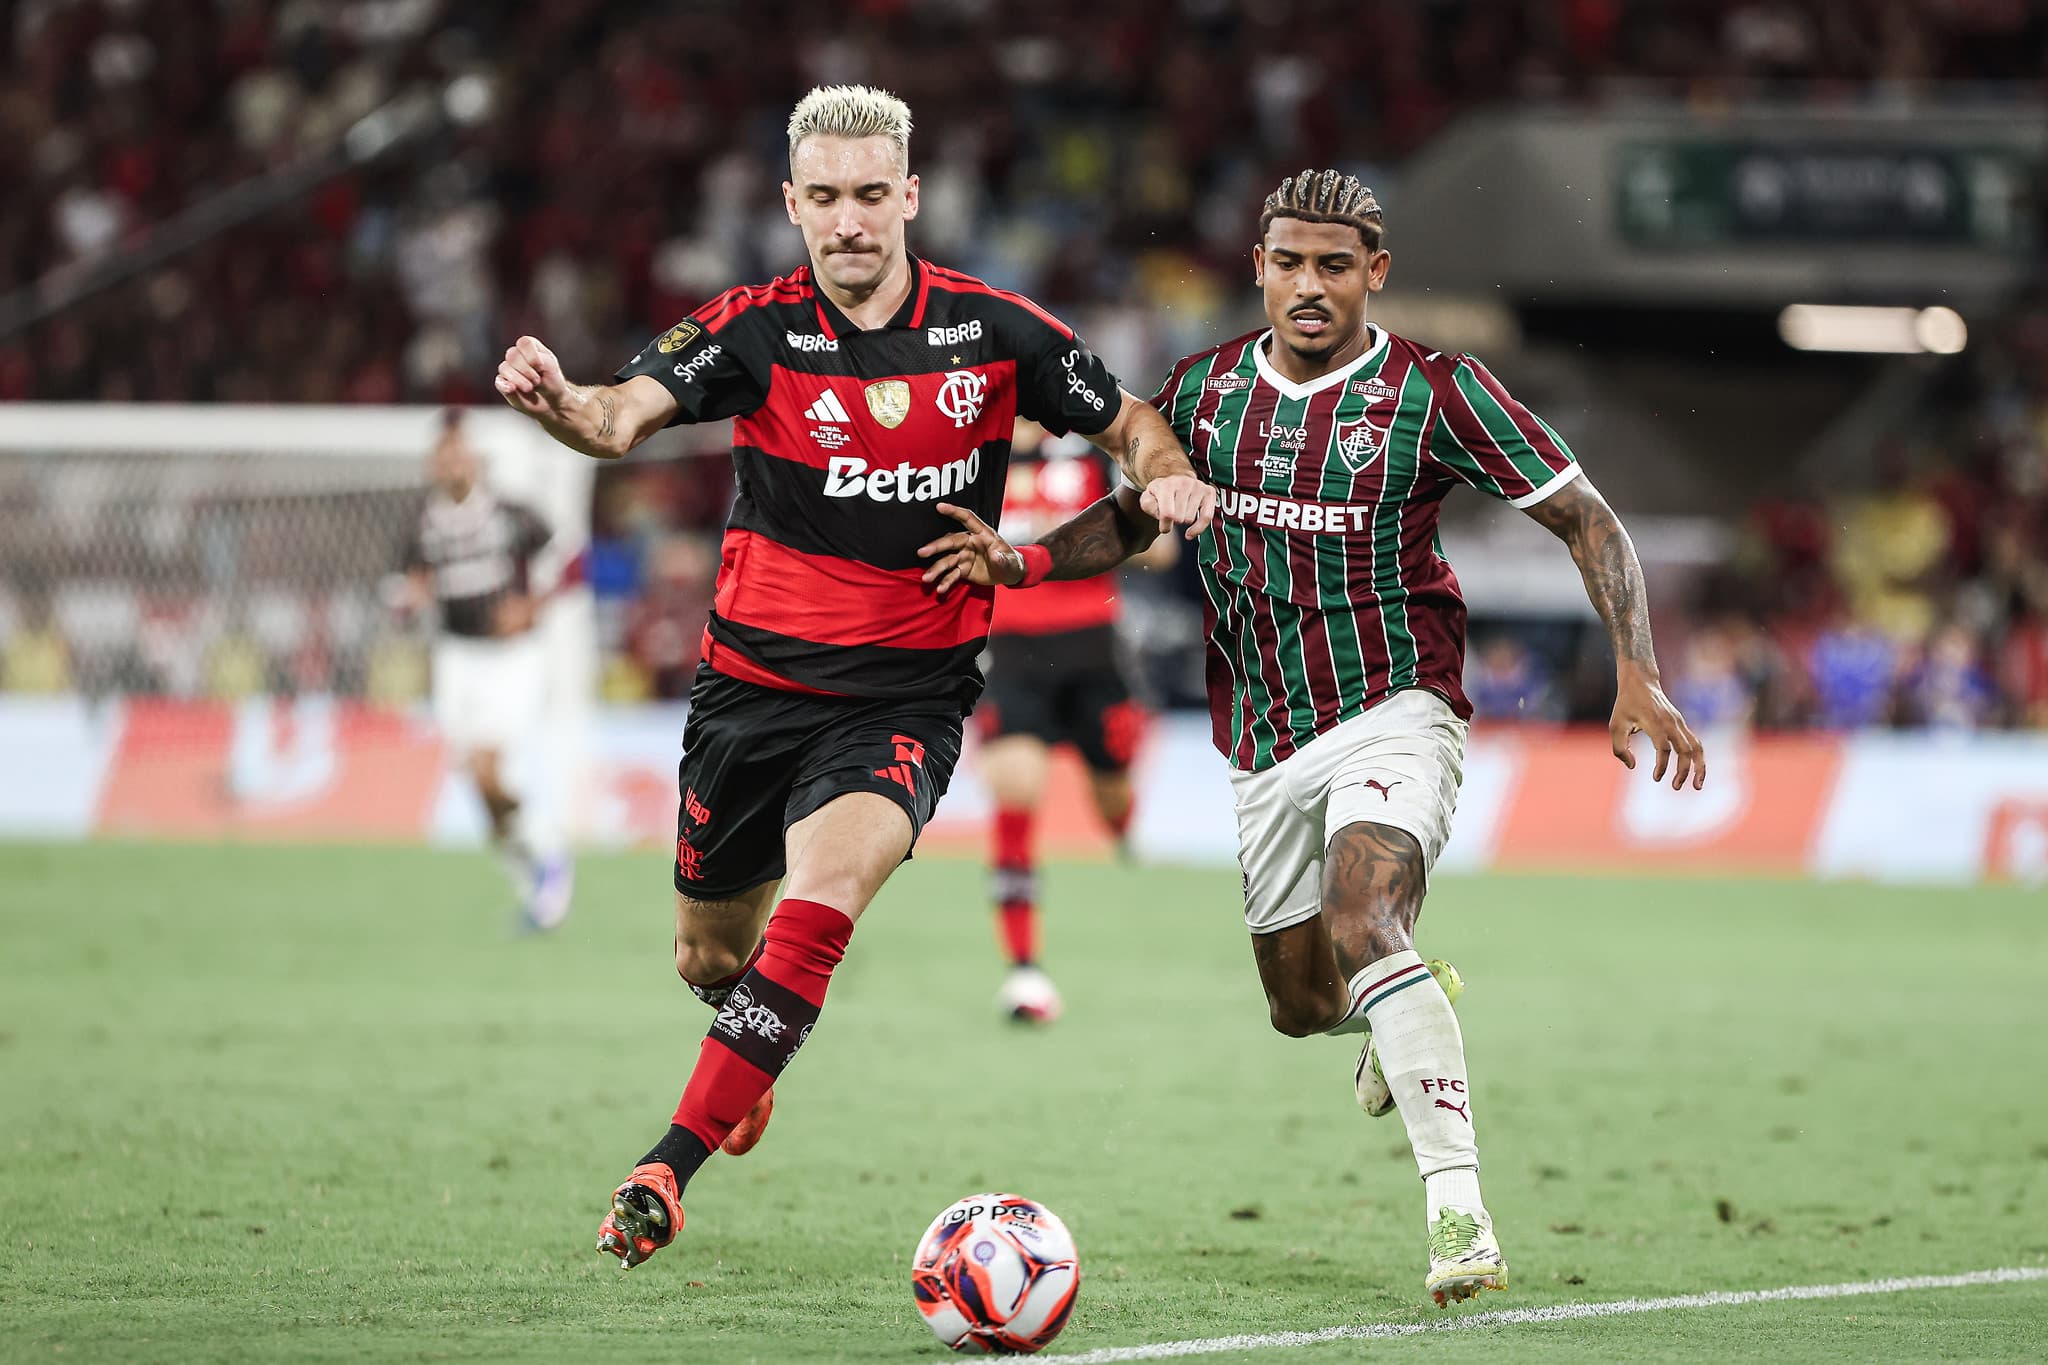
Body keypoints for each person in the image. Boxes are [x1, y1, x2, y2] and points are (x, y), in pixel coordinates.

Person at [920, 169, 1707, 1306]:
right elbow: (1133, 514)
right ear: (1258, 265)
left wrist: (1636, 669)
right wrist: (1027, 560)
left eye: (1333, 264)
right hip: (1262, 736)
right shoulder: (1198, 391)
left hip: (1398, 701)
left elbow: (1583, 515)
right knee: (1298, 1002)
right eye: (1287, 260)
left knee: (1362, 913)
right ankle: (1396, 1009)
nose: (1307, 284)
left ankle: (1458, 1216)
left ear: (1373, 274)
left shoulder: (1437, 393)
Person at [491, 85, 1215, 1270]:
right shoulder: (751, 329)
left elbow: (1130, 422)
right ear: (790, 204)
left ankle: (664, 1169)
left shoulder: (992, 333)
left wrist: (1166, 472)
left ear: (911, 197)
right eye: (823, 198)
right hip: (749, 695)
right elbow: (620, 416)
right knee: (712, 960)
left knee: (821, 906)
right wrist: (566, 404)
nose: (849, 221)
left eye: (871, 194)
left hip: (904, 699)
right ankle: (747, 1058)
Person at [978, 417, 1174, 1023]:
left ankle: (1125, 844)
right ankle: (1024, 972)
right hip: (1012, 655)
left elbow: (1161, 548)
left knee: (1111, 799)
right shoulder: (975, 462)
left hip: (1093, 654)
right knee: (1015, 795)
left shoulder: (1094, 455)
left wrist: (1065, 540)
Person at [397, 411, 573, 932]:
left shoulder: (511, 513)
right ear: (433, 464)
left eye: (459, 451)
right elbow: (405, 585)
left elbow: (568, 559)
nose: (451, 462)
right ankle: (532, 869)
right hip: (456, 658)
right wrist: (409, 599)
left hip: (512, 658)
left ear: (474, 459)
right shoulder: (422, 525)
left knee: (490, 768)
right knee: (480, 785)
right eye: (443, 454)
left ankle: (550, 857)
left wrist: (531, 607)